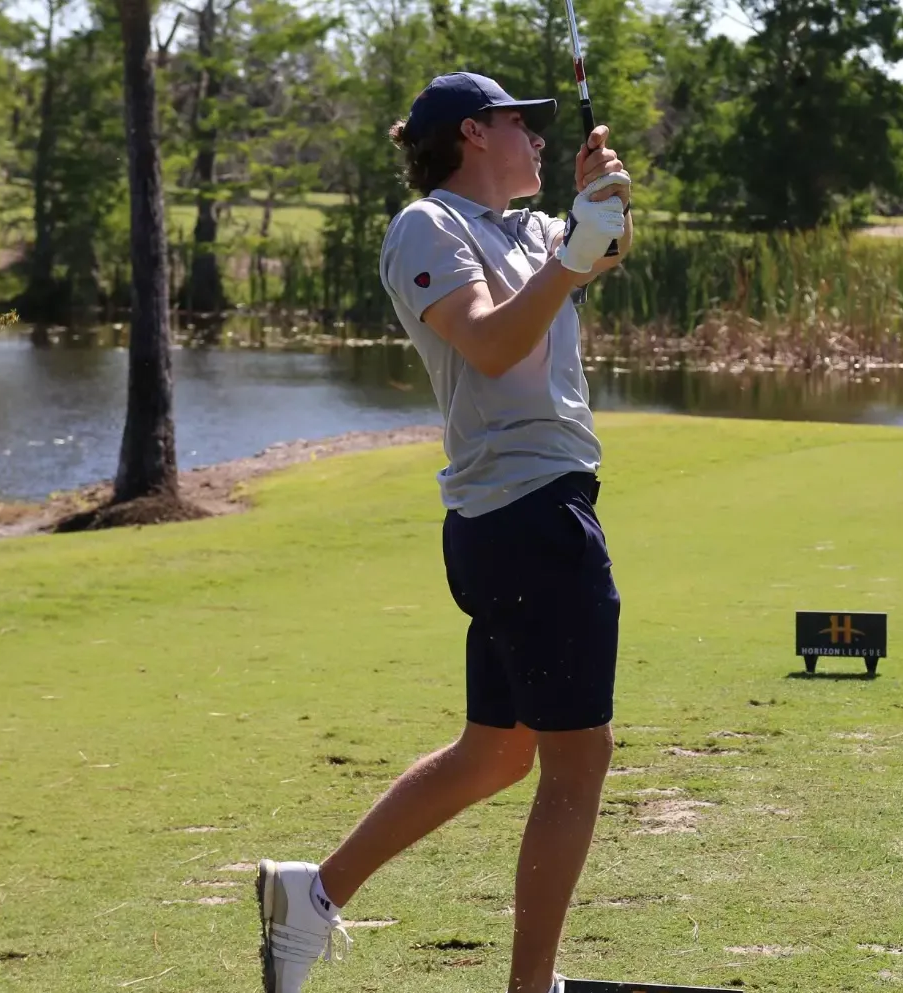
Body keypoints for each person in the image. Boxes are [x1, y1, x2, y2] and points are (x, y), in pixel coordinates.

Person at [254, 70, 634, 993]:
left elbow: (601, 254)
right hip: (525, 514)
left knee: (497, 750)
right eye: (521, 125)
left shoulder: (528, 231)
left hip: (523, 514)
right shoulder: (427, 227)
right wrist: (576, 247)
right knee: (578, 759)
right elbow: (493, 343)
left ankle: (312, 892)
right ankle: (531, 988)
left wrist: (602, 204)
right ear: (472, 133)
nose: (537, 139)